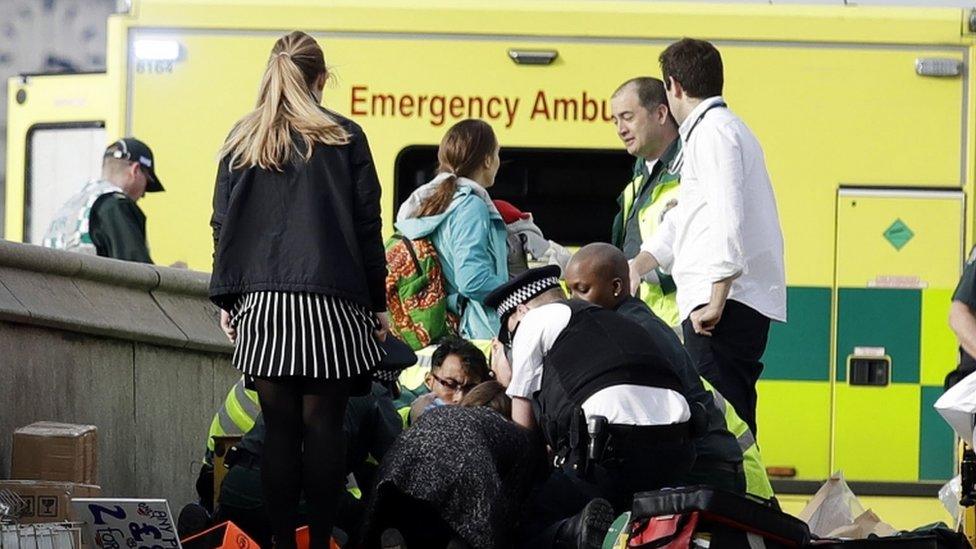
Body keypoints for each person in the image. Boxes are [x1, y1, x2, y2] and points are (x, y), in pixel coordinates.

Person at [209, 31, 389, 549]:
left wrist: (230, 298)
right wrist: (376, 304)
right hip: (333, 301)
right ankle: (320, 540)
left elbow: (222, 224)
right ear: (321, 79)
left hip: (263, 304)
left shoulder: (243, 139)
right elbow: (366, 226)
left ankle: (283, 543)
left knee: (280, 434)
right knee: (325, 429)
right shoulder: (345, 136)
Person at [485, 266, 712, 547]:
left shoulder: (534, 321)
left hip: (608, 454)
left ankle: (573, 531)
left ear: (520, 310)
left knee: (529, 522)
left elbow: (523, 435)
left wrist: (507, 378)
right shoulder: (618, 320)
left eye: (509, 336)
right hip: (676, 454)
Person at [629, 38, 786, 435]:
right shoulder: (713, 131)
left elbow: (727, 216)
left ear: (675, 86)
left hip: (722, 308)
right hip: (725, 302)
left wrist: (716, 297)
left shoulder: (714, 133)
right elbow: (689, 214)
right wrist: (642, 262)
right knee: (726, 418)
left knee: (722, 424)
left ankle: (739, 495)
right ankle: (742, 495)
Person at [565, 243, 772, 500]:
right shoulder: (633, 320)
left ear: (617, 287)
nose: (573, 301)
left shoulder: (627, 333)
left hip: (699, 467)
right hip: (708, 459)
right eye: (569, 290)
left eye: (582, 290)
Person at [361, 404, 545, 549]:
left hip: (406, 455)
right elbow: (509, 512)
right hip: (470, 462)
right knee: (478, 530)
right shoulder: (522, 441)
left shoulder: (454, 411)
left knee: (399, 516)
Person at [396, 119, 508, 340]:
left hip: (445, 325)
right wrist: (520, 292)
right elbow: (472, 280)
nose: (498, 161)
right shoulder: (471, 206)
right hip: (478, 331)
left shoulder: (435, 201)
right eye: (497, 154)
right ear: (487, 160)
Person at [609, 77, 682, 329]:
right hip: (644, 323)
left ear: (661, 114)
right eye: (615, 120)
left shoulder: (690, 170)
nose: (620, 128)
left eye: (627, 117)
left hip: (678, 324)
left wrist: (637, 269)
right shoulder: (638, 179)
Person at [42, 137, 163, 263]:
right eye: (147, 183)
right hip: (85, 283)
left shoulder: (74, 205)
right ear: (135, 170)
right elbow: (137, 273)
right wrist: (173, 276)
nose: (143, 194)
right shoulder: (115, 206)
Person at [408, 337, 493, 423]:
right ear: (429, 381)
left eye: (470, 388)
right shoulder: (400, 412)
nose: (459, 398)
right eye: (450, 385)